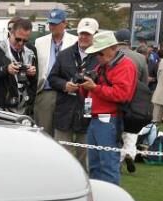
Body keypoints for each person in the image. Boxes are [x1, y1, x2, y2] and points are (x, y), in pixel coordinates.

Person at [79, 31, 137, 185]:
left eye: (100, 53)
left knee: (108, 165)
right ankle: (98, 196)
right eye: (96, 53)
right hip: (96, 118)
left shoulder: (125, 66)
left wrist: (94, 87)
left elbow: (121, 95)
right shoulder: (103, 66)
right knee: (95, 165)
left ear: (113, 48)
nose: (97, 56)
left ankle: (110, 197)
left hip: (109, 119)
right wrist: (82, 85)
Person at [48, 18, 99, 168]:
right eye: (81, 33)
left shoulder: (100, 57)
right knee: (62, 153)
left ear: (95, 35)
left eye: (88, 34)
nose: (83, 37)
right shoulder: (64, 54)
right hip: (65, 108)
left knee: (86, 153)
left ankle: (85, 179)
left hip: (88, 109)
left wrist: (92, 86)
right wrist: (65, 85)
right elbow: (52, 78)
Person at [33, 9, 77, 136]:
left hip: (67, 93)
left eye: (56, 23)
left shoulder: (75, 41)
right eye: (50, 23)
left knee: (63, 133)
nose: (52, 26)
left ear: (64, 23)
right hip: (45, 92)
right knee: (43, 133)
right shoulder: (39, 42)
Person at [115, 29, 151, 174]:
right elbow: (144, 83)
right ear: (129, 41)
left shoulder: (112, 55)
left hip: (115, 98)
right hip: (134, 99)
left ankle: (117, 159)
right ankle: (129, 152)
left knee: (115, 131)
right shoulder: (140, 58)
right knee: (131, 132)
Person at [0, 18, 36, 113]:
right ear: (11, 33)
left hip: (24, 106)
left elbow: (35, 82)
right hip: (2, 106)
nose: (21, 43)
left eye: (25, 40)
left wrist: (32, 74)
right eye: (18, 39)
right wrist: (6, 69)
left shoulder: (31, 50)